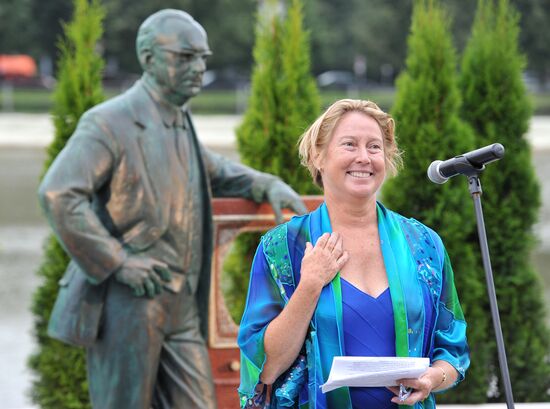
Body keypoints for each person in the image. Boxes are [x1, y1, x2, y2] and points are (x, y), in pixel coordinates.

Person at [38, 9, 306, 409]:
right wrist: (118, 262)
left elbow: (214, 169)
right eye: (185, 57)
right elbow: (58, 194)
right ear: (148, 58)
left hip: (181, 307)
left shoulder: (178, 120)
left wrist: (265, 183)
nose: (198, 67)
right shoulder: (109, 123)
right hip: (128, 302)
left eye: (202, 57)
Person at [238, 99, 470, 408]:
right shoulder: (282, 247)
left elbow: (453, 350)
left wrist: (430, 379)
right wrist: (309, 285)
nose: (364, 157)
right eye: (349, 145)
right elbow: (265, 369)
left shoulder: (423, 244)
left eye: (374, 147)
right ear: (317, 156)